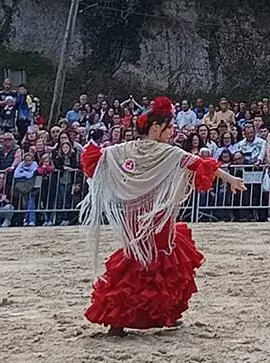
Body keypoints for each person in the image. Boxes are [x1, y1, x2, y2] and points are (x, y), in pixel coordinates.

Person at [79, 96, 247, 336]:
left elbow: (94, 157)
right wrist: (230, 179)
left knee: (138, 257)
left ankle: (132, 317)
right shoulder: (167, 153)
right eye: (169, 128)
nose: (172, 133)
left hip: (135, 214)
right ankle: (148, 314)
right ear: (156, 128)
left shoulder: (123, 150)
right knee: (159, 259)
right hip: (155, 215)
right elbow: (199, 163)